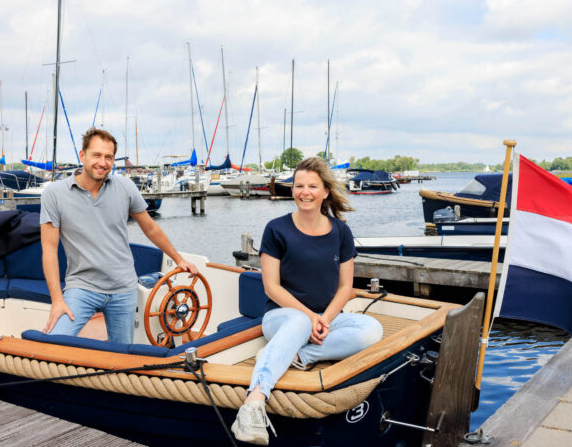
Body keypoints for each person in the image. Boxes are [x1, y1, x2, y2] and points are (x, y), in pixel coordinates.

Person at [231, 157, 383, 445]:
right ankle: (253, 403)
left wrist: (323, 319)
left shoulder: (341, 231)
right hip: (282, 316)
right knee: (300, 321)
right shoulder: (277, 229)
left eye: (313, 186)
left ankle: (297, 356)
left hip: (326, 317)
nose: (305, 191)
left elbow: (345, 287)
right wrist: (310, 318)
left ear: (325, 191)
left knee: (371, 329)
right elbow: (272, 287)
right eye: (299, 185)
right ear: (292, 190)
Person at [40, 127, 198, 344]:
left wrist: (179, 259)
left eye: (109, 157)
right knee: (53, 344)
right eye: (96, 155)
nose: (103, 162)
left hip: (123, 289)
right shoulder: (54, 193)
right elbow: (49, 249)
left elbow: (150, 228)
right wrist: (57, 300)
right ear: (82, 155)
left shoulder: (125, 187)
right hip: (82, 286)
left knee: (121, 359)